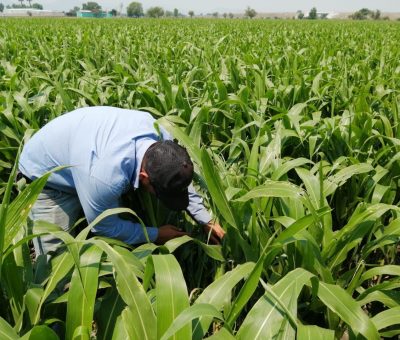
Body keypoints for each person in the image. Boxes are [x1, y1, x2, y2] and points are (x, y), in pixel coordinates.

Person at [18, 106, 225, 257]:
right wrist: (155, 235)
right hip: (47, 173)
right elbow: (105, 226)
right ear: (144, 178)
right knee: (54, 257)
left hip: (82, 149)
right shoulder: (104, 178)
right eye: (160, 192)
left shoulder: (161, 136)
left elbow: (176, 174)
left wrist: (205, 219)